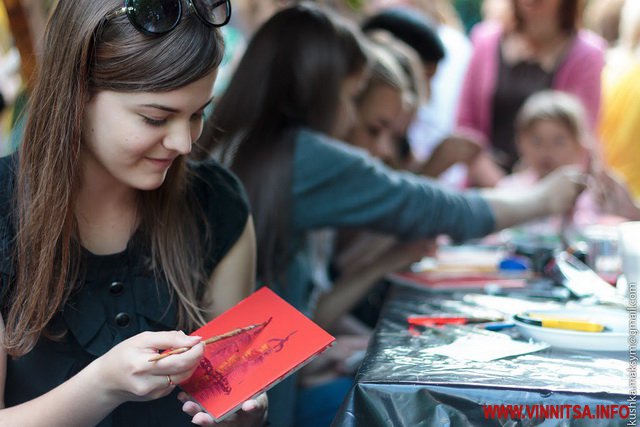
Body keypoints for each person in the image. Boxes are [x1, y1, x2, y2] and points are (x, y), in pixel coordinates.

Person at [196, 4, 584, 426]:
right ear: (319, 89)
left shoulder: (243, 144)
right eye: (348, 96)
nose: (348, 114)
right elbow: (431, 206)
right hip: (264, 400)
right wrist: (542, 199)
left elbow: (300, 308)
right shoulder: (302, 155)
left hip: (256, 385)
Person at [0, 1, 266, 426]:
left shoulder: (216, 202)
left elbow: (234, 386)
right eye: (156, 118)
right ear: (77, 94)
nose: (183, 142)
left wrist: (243, 414)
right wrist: (102, 385)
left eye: (198, 113)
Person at [457, 0, 606, 185]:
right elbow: (466, 127)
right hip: (483, 192)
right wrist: (506, 191)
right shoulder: (485, 40)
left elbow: (580, 135)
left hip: (551, 195)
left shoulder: (586, 54)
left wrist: (531, 197)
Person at [498, 90, 640, 231]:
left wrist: (626, 210)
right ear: (521, 143)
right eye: (537, 141)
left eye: (558, 141)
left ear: (579, 145)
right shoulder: (510, 192)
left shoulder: (596, 194)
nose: (547, 150)